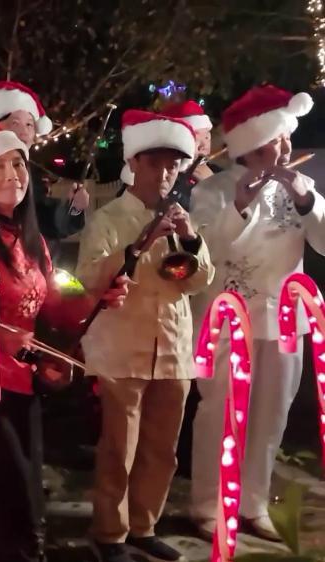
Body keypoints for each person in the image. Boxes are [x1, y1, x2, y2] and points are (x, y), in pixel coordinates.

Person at [0, 123, 129, 562]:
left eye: (18, 163)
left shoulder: (32, 239)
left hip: (25, 385)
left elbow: (58, 298)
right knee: (5, 496)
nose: (12, 174)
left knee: (26, 495)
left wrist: (99, 295)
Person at [77, 110, 215, 562]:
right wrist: (138, 242)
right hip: (122, 351)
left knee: (162, 449)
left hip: (172, 350)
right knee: (120, 448)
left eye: (173, 164)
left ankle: (144, 525)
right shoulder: (108, 218)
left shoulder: (180, 218)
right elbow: (91, 277)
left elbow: (197, 279)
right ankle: (110, 533)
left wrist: (190, 240)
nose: (165, 172)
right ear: (133, 163)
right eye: (155, 163)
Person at [190, 85, 325, 542]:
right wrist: (244, 202)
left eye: (287, 139)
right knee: (221, 411)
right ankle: (208, 504)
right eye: (275, 140)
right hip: (227, 316)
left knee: (272, 415)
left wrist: (308, 202)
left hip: (285, 316)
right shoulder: (213, 189)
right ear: (249, 147)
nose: (285, 148)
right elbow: (207, 249)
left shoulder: (301, 188)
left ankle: (253, 502)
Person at [0, 81, 89, 258]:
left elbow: (47, 221)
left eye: (29, 125)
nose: (23, 131)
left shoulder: (33, 177)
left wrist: (75, 208)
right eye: (15, 123)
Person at [159, 100, 219, 210]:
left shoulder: (217, 170)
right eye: (195, 139)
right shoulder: (169, 179)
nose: (203, 146)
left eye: (206, 137)